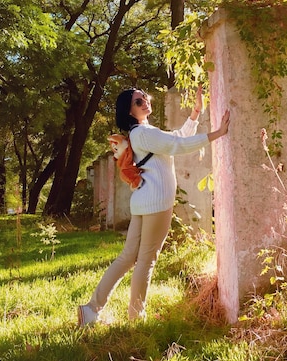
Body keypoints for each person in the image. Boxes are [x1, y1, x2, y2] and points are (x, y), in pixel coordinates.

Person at [78, 86, 230, 326]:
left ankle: (91, 309)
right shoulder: (142, 133)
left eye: (144, 98)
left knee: (128, 257)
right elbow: (177, 147)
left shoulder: (143, 132)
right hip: (156, 202)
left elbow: (176, 139)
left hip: (144, 200)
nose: (144, 102)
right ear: (130, 111)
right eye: (138, 102)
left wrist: (195, 113)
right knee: (146, 259)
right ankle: (136, 317)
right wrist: (217, 133)